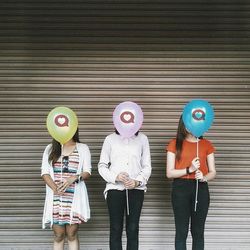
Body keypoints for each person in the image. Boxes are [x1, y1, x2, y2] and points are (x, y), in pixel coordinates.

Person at [166, 115, 216, 250]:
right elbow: (169, 173)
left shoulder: (206, 144)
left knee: (198, 232)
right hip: (180, 189)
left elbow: (213, 172)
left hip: (201, 188)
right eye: (188, 122)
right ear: (183, 124)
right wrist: (190, 169)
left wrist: (204, 177)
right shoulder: (174, 144)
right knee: (181, 232)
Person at [98, 129, 151, 250]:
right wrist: (115, 177)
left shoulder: (143, 139)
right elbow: (102, 166)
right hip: (114, 189)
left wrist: (137, 182)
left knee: (133, 228)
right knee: (116, 228)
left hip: (136, 190)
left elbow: (147, 166)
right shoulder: (110, 139)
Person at [41, 128, 91, 250]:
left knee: (72, 234)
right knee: (59, 235)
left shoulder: (82, 148)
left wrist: (74, 177)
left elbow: (87, 172)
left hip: (74, 198)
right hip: (56, 199)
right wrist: (55, 188)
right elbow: (45, 173)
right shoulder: (50, 149)